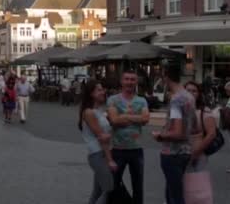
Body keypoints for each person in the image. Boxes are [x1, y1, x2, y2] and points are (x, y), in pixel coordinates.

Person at [152, 64, 196, 204]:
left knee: (175, 196)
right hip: (186, 151)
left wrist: (160, 135)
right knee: (174, 191)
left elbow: (177, 132)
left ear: (166, 77)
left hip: (172, 152)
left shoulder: (176, 99)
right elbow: (192, 126)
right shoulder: (189, 96)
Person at [107, 70, 150, 204]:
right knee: (113, 185)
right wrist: (136, 118)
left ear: (136, 82)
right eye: (127, 79)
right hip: (118, 149)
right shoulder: (113, 99)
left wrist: (124, 116)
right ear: (121, 81)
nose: (129, 82)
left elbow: (145, 119)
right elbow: (114, 120)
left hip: (136, 149)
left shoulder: (142, 100)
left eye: (132, 79)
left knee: (138, 186)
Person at [79, 81, 117, 204]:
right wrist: (110, 160)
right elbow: (102, 138)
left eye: (102, 89)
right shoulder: (89, 112)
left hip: (101, 154)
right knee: (108, 188)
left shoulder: (99, 111)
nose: (103, 92)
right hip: (98, 155)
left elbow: (106, 135)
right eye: (99, 90)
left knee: (98, 191)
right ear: (91, 94)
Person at [183, 82, 216, 204]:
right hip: (179, 153)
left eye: (194, 91)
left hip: (198, 154)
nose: (190, 93)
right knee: (180, 185)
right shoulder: (180, 108)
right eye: (188, 90)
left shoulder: (204, 111)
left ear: (199, 94)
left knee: (197, 186)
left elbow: (211, 134)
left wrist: (196, 153)